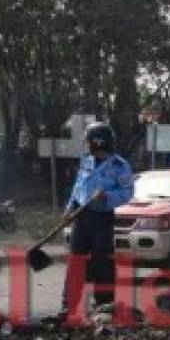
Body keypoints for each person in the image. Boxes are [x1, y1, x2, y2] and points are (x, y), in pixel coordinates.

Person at [61, 122, 134, 318]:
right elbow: (78, 186)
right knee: (76, 261)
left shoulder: (120, 166)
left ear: (98, 142)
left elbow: (127, 193)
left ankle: (104, 308)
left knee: (103, 263)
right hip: (81, 216)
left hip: (102, 218)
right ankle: (68, 307)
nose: (86, 146)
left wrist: (107, 196)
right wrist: (69, 209)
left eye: (89, 142)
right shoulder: (86, 161)